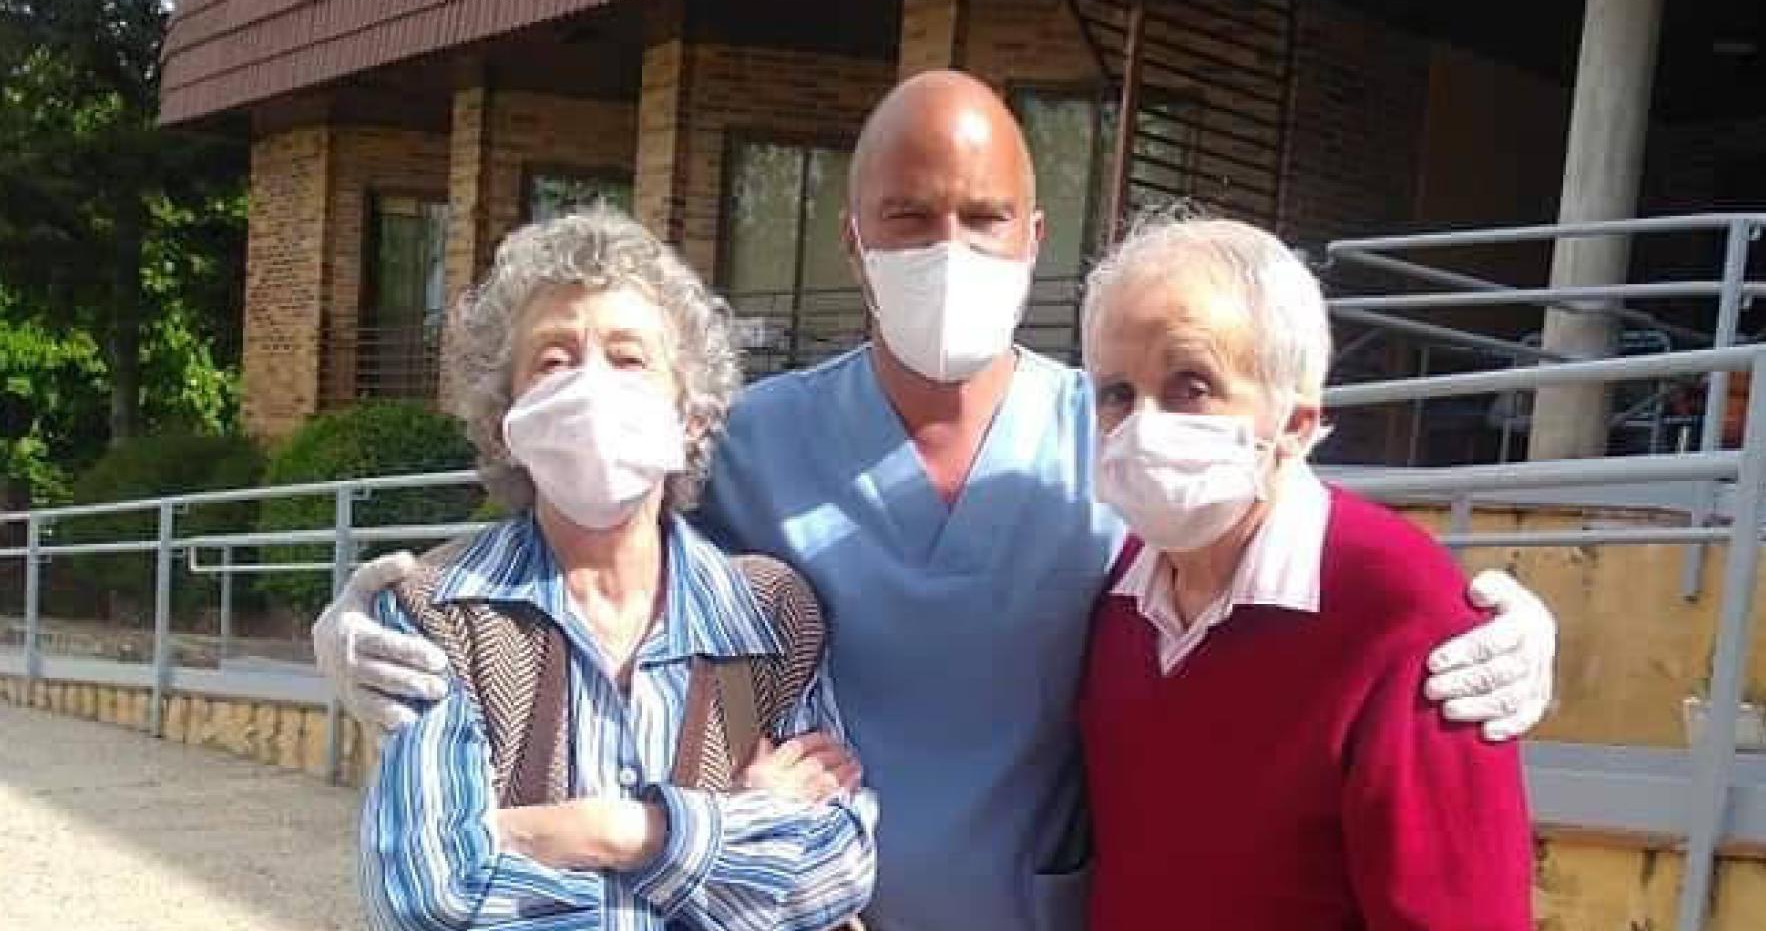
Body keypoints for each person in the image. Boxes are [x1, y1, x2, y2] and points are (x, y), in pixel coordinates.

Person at [318, 70, 1557, 931]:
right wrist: (371, 613)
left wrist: (1490, 621)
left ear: (1033, 234)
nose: (946, 245)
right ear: (855, 238)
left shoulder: (1116, 427)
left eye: (981, 217)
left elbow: (1266, 497)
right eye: (908, 217)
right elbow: (587, 534)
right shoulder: (753, 442)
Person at [358, 210, 876, 931]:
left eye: (629, 358)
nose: (591, 384)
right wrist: (731, 831)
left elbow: (834, 869)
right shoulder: (436, 610)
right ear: (507, 416)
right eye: (553, 359)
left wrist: (617, 830)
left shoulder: (769, 613)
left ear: (691, 413)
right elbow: (431, 894)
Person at [1076, 215, 1532, 930]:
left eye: (1190, 384)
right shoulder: (1121, 598)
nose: (1143, 425)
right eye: (1116, 393)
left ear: (1294, 421)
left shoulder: (1406, 616)